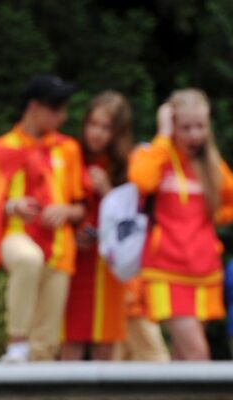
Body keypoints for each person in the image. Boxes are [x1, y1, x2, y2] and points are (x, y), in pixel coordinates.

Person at [0, 75, 85, 362]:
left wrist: (66, 211)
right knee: (27, 259)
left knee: (47, 345)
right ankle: (16, 340)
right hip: (16, 233)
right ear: (34, 107)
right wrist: (13, 206)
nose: (63, 115)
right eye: (56, 108)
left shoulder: (68, 149)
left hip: (60, 246)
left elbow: (80, 206)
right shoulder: (0, 149)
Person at [128, 89, 233, 362]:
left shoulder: (212, 164)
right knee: (198, 354)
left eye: (200, 127)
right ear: (172, 126)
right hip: (166, 270)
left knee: (184, 358)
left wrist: (213, 216)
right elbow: (141, 181)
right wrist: (163, 135)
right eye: (186, 127)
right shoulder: (157, 154)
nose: (194, 135)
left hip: (204, 272)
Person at [61, 92, 133, 361]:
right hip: (75, 257)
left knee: (106, 337)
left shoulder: (126, 164)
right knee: (72, 336)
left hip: (109, 260)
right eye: (93, 124)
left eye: (106, 128)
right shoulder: (71, 155)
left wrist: (107, 191)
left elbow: (131, 216)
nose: (97, 133)